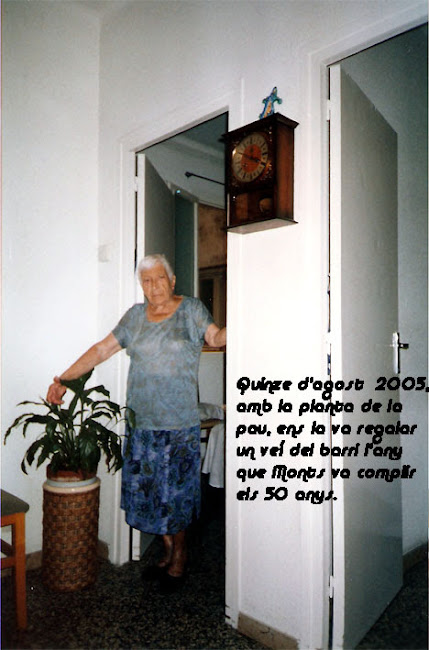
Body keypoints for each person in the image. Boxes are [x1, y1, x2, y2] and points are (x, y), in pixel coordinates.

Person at [47, 253, 226, 592]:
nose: (154, 286)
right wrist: (64, 379)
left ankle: (180, 555)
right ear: (141, 286)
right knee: (153, 495)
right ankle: (168, 550)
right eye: (147, 281)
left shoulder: (191, 310)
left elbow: (216, 338)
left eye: (160, 279)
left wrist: (246, 318)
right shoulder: (134, 317)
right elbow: (101, 350)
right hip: (143, 423)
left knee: (176, 497)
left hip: (178, 425)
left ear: (172, 281)